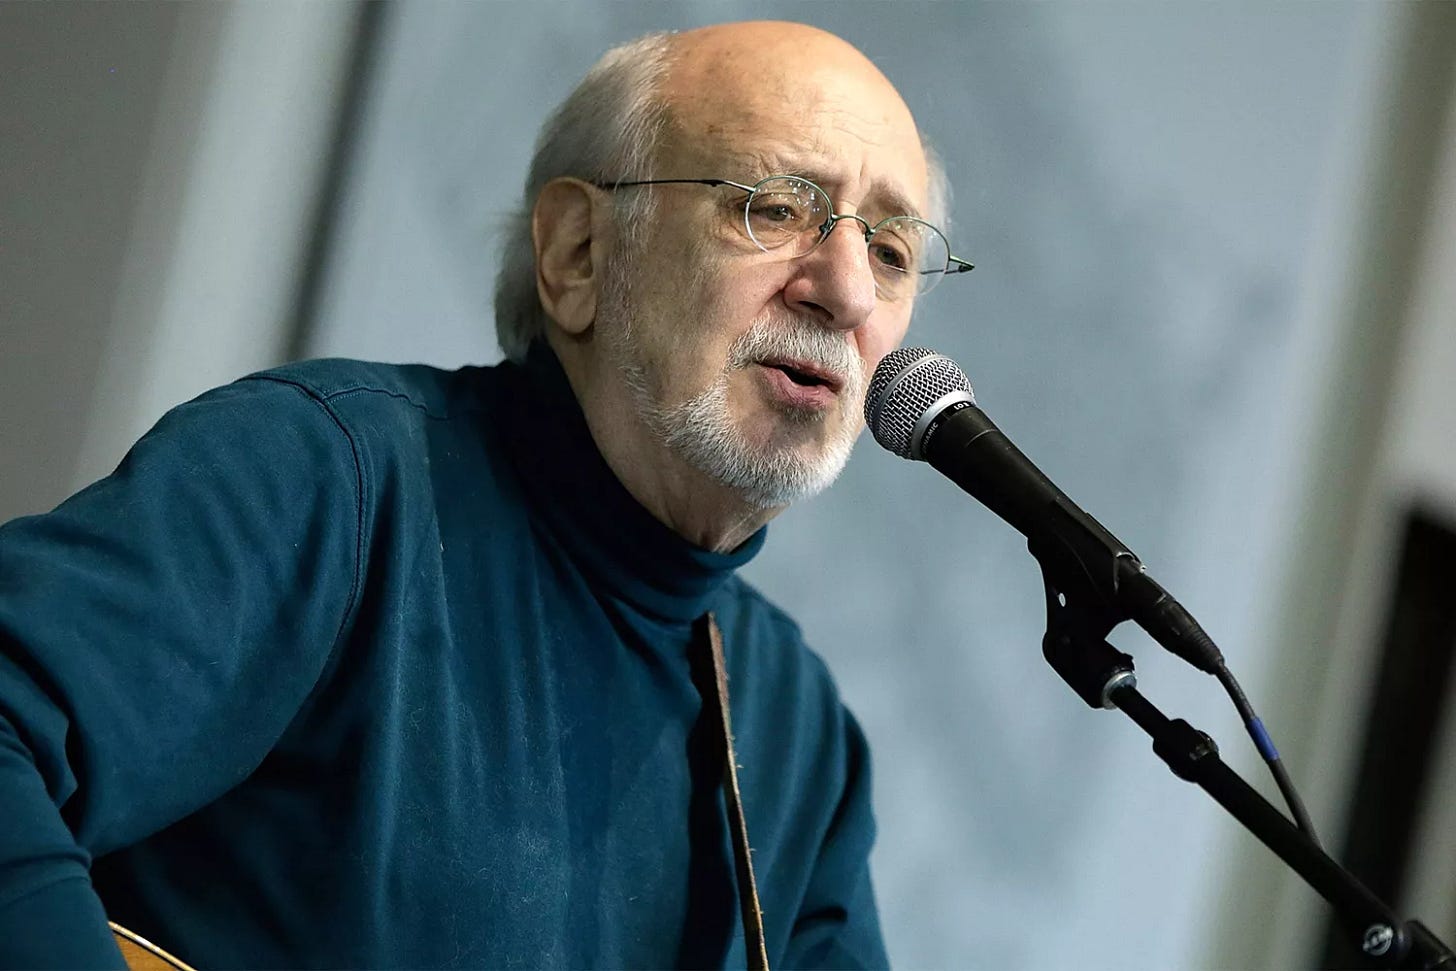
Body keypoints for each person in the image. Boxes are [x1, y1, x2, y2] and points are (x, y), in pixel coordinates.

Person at [0, 20, 968, 969]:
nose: (845, 289)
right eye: (776, 205)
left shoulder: (795, 732)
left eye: (889, 249)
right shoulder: (329, 476)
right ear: (579, 252)